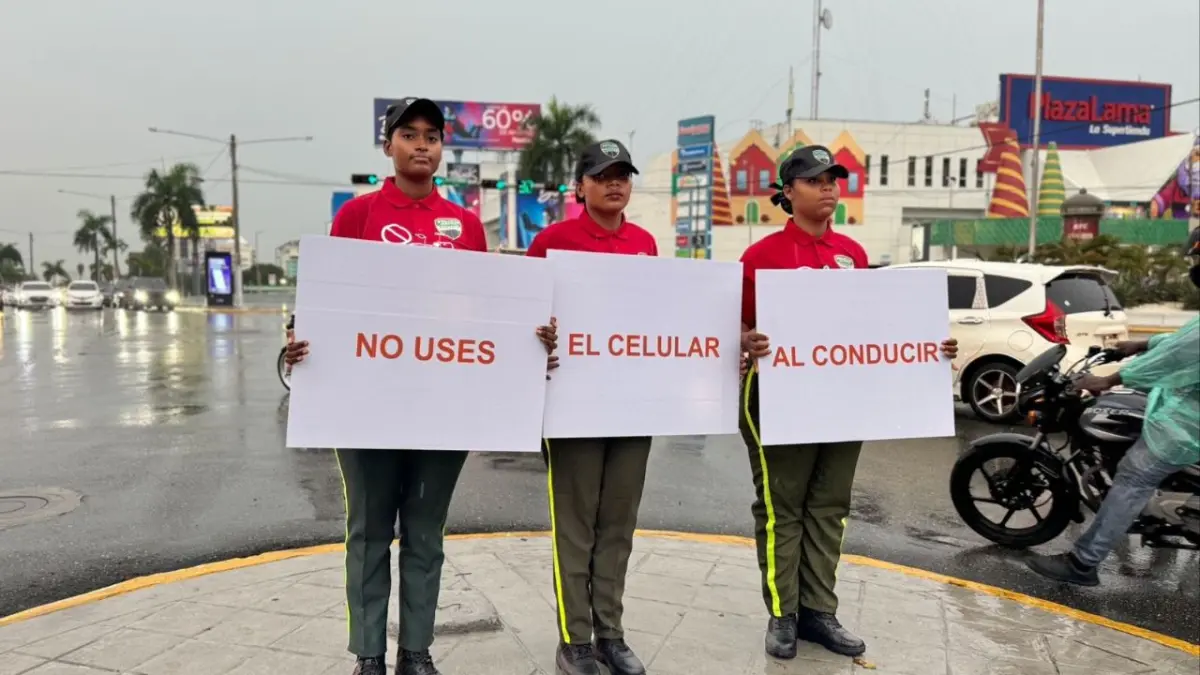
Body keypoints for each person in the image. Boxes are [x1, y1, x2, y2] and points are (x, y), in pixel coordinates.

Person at [284, 97, 556, 675]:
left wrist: (528, 338)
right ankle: (368, 655)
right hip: (365, 406)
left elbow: (484, 314)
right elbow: (331, 304)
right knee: (369, 530)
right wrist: (303, 338)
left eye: (432, 136)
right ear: (389, 145)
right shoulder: (356, 217)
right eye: (410, 134)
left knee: (426, 534)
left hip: (442, 408)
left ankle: (416, 651)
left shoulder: (467, 225)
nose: (422, 145)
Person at [737, 146, 958, 661]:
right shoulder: (761, 256)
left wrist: (930, 346)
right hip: (776, 398)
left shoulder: (853, 254)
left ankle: (819, 611)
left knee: (830, 506)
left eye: (833, 178)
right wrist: (747, 340)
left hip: (840, 400)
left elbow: (872, 330)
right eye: (815, 180)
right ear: (788, 193)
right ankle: (783, 614)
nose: (829, 187)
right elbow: (734, 329)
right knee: (780, 509)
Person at [525, 139, 658, 675]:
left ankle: (612, 633)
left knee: (619, 524)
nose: (614, 183)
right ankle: (574, 639)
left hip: (631, 404)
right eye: (603, 174)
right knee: (576, 524)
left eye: (623, 174)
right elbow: (525, 317)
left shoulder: (646, 244)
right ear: (580, 186)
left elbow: (662, 320)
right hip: (572, 405)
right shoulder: (552, 241)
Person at [1026, 227, 1200, 586]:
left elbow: (1179, 355)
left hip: (1190, 421)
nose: (1193, 267)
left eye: (1197, 259)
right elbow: (1185, 339)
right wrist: (1142, 343)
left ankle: (1082, 563)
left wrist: (1108, 380)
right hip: (1186, 408)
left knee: (1134, 476)